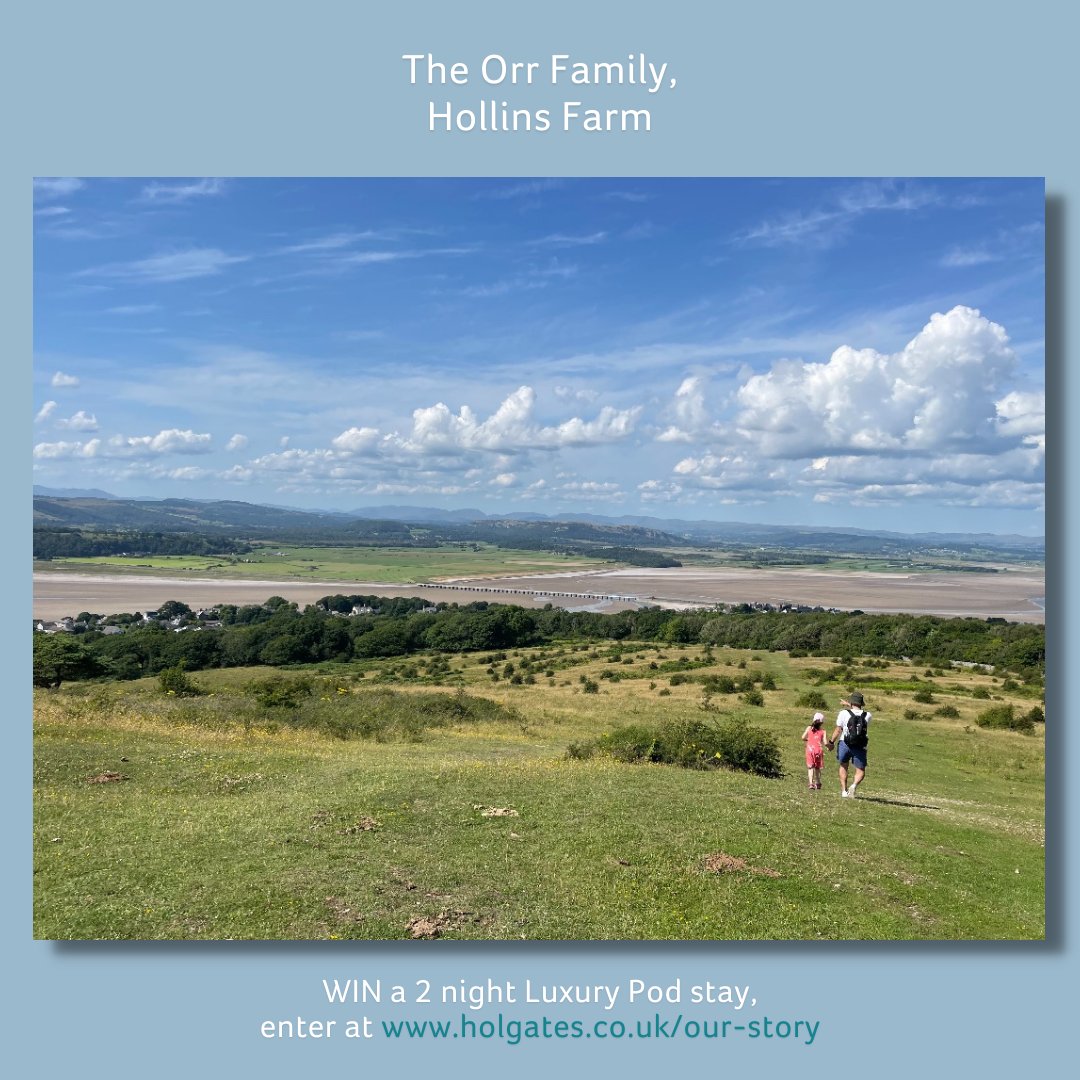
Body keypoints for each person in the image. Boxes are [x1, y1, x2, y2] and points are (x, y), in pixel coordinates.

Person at [829, 691, 871, 798]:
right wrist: (850, 704)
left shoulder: (843, 713)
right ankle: (854, 785)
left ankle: (844, 791)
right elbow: (858, 712)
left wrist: (831, 742)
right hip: (860, 745)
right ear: (861, 703)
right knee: (860, 770)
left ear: (852, 702)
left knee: (844, 765)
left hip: (845, 743)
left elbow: (838, 730)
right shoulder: (868, 715)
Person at [801, 711, 827, 789]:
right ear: (821, 723)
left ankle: (811, 783)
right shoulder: (823, 731)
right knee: (817, 767)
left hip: (810, 750)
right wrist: (829, 746)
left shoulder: (809, 728)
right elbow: (825, 742)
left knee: (810, 767)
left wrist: (808, 739)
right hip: (818, 750)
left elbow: (803, 737)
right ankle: (818, 783)